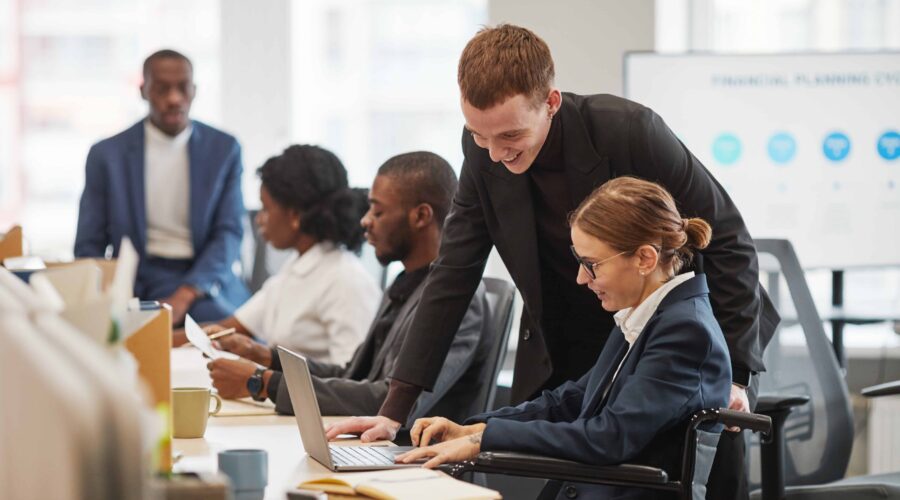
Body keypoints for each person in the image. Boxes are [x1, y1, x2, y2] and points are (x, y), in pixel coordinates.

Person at [327, 24, 780, 500]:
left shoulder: (628, 132)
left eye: (510, 136)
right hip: (583, 345)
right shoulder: (484, 150)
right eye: (479, 136)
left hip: (663, 343)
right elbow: (453, 274)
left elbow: (728, 243)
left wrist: (734, 374)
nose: (497, 155)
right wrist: (397, 412)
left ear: (551, 102)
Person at [396, 177, 732, 500]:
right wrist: (474, 429)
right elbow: (569, 401)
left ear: (645, 258)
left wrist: (484, 440)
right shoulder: (647, 317)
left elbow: (609, 437)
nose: (581, 278)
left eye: (591, 264)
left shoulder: (686, 331)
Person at [206, 152, 491, 423]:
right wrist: (267, 358)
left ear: (421, 216)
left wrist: (262, 382)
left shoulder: (457, 303)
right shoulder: (405, 285)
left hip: (414, 458)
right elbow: (353, 375)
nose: (365, 221)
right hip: (378, 446)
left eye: (377, 212)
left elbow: (392, 404)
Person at [75, 49, 249, 324]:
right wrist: (100, 299)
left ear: (195, 90)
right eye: (162, 89)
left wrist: (185, 294)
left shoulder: (224, 149)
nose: (174, 99)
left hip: (202, 280)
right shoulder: (107, 155)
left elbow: (229, 233)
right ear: (143, 91)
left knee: (232, 340)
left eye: (183, 88)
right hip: (137, 281)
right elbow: (89, 243)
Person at [174, 145, 381, 364]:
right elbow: (227, 329)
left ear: (294, 216)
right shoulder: (297, 266)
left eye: (265, 208)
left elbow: (352, 381)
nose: (259, 219)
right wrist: (148, 340)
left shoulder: (345, 281)